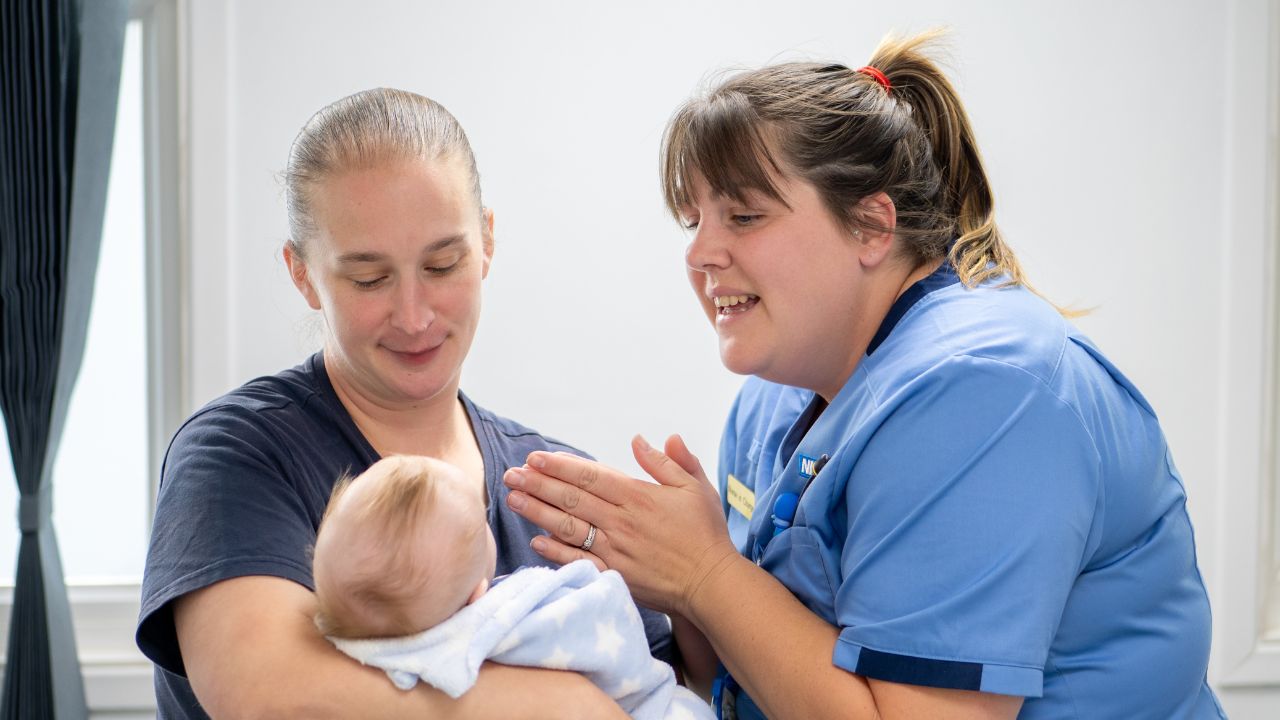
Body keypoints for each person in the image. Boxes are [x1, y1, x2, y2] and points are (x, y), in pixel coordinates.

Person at [499, 31, 1227, 719]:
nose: (701, 254)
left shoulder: (990, 391)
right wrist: (668, 580)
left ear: (874, 228)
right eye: (694, 221)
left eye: (744, 217)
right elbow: (743, 680)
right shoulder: (772, 398)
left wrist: (706, 574)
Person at [136, 88, 672, 720]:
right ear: (302, 273)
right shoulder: (238, 455)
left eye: (443, 265)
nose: (414, 316)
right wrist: (573, 706)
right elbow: (273, 697)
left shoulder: (559, 489)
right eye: (370, 279)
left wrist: (700, 583)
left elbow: (665, 685)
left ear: (488, 243)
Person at [313, 454, 713, 720]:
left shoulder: (392, 658)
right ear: (477, 596)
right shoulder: (520, 615)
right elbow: (615, 628)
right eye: (482, 524)